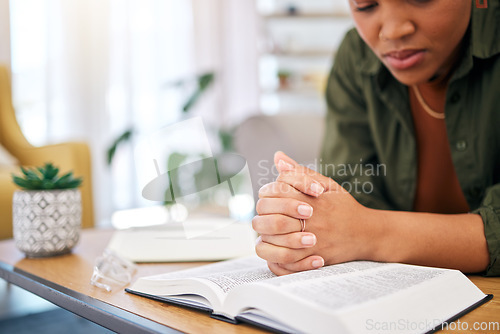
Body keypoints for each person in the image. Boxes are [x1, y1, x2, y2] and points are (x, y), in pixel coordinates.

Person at [252, 0, 500, 276]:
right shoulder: (356, 55)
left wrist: (368, 233)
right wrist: (305, 225)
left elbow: (357, 228)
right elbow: (350, 200)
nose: (393, 31)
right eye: (366, 5)